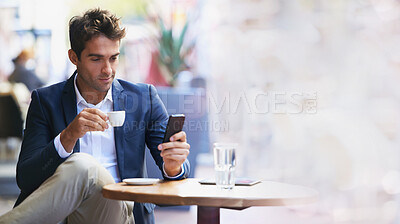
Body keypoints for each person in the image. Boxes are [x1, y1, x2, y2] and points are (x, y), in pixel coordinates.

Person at [0, 8, 190, 224]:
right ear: (74, 57)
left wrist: (173, 165)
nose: (107, 70)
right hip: (66, 214)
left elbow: (175, 170)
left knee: (84, 165)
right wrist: (68, 136)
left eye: (114, 58)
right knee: (82, 165)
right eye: (96, 59)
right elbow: (26, 178)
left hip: (122, 212)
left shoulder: (143, 98)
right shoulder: (46, 102)